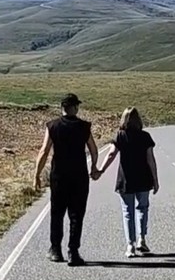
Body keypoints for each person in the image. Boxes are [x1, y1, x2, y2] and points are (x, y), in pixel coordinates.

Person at [34, 93, 99, 266]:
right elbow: (93, 149)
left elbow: (44, 151)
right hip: (79, 176)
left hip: (59, 176)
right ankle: (73, 251)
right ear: (76, 107)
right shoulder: (84, 127)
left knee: (57, 213)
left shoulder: (52, 126)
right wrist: (94, 167)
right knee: (77, 215)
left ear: (61, 107)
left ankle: (56, 250)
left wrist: (37, 175)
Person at [99, 107, 158, 258]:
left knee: (128, 212)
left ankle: (130, 245)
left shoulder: (120, 135)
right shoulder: (145, 137)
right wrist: (155, 180)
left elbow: (111, 154)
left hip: (125, 179)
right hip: (143, 179)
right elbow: (150, 159)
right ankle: (141, 239)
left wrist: (101, 170)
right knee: (143, 208)